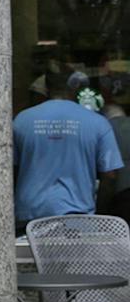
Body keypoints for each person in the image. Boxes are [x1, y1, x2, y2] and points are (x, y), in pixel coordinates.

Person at [13, 74, 125, 234]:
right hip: (78, 219)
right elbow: (110, 175)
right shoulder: (97, 122)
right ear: (75, 89)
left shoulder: (21, 120)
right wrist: (100, 217)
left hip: (29, 216)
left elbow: (10, 170)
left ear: (46, 89)